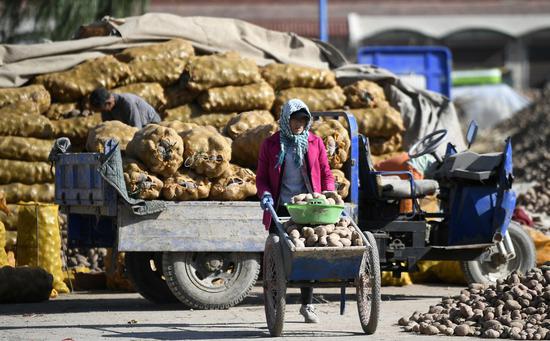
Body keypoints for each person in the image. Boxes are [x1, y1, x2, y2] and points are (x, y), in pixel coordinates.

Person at [256, 98, 335, 324]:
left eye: (303, 119)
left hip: (309, 207)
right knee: (277, 257)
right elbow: (261, 178)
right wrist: (265, 194)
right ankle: (275, 304)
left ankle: (307, 304)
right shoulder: (270, 144)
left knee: (307, 254)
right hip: (280, 206)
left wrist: (328, 192)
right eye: (295, 118)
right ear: (285, 118)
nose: (299, 123)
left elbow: (326, 172)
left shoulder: (315, 142)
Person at [89, 87, 161, 129]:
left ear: (109, 102)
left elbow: (136, 129)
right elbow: (110, 128)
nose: (103, 111)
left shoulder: (127, 103)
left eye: (103, 108)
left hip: (151, 124)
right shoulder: (105, 109)